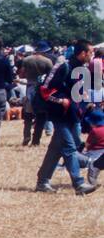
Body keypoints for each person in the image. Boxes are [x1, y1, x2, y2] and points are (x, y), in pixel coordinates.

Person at [34, 40, 99, 195]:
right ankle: (79, 184)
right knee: (69, 148)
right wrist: (60, 100)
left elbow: (76, 91)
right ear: (83, 53)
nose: (92, 55)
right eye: (90, 52)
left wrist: (84, 101)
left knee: (55, 149)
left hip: (71, 115)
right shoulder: (64, 66)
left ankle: (42, 182)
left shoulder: (81, 69)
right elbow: (45, 89)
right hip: (59, 115)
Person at [19, 43, 53, 146]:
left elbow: (21, 73)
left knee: (28, 115)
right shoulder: (47, 61)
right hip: (42, 89)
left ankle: (26, 136)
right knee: (41, 114)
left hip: (30, 87)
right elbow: (50, 76)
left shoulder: (27, 60)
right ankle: (37, 139)